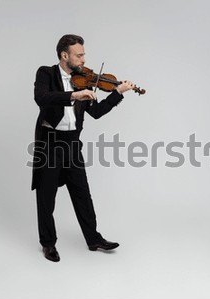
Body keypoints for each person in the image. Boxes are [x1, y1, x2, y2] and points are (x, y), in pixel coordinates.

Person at [32, 34, 135, 262]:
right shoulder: (46, 74)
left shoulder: (85, 80)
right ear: (64, 55)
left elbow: (96, 113)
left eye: (84, 54)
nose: (83, 60)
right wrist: (73, 95)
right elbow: (42, 98)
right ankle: (48, 244)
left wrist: (117, 93)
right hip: (49, 143)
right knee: (46, 197)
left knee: (82, 194)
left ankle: (93, 239)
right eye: (79, 55)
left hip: (72, 144)